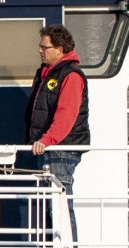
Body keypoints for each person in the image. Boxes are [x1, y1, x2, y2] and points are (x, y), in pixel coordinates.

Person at [25, 24, 90, 193]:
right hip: (49, 147)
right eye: (40, 46)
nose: (40, 51)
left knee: (60, 208)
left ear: (59, 49)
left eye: (44, 47)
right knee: (51, 208)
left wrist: (47, 140)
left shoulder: (71, 75)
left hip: (62, 149)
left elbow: (66, 115)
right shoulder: (47, 73)